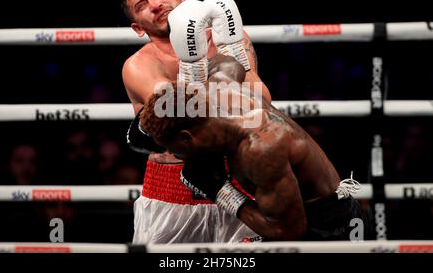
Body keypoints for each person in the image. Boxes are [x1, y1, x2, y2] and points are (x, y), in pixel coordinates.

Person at [117, 0, 271, 243]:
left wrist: (230, 48)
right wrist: (197, 62)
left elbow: (261, 103)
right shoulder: (139, 65)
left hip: (240, 177)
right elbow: (181, 118)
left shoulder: (228, 38)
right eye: (141, 5)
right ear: (137, 28)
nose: (154, 5)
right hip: (172, 188)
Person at [139, 78, 374, 241]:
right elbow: (228, 61)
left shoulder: (260, 150)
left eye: (174, 150)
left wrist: (221, 192)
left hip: (330, 229)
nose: (177, 157)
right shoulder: (223, 88)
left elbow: (288, 231)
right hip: (313, 215)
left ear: (186, 137)